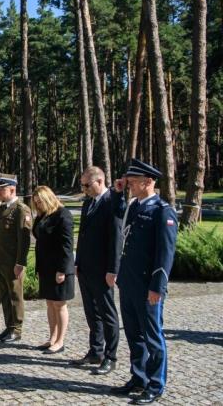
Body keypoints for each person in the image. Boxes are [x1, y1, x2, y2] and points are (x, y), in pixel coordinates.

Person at [109, 159, 178, 405]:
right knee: (134, 335)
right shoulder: (133, 206)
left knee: (152, 336)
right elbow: (118, 224)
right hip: (128, 283)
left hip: (148, 286)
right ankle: (138, 377)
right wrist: (118, 193)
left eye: (132, 182)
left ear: (148, 182)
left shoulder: (162, 211)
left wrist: (157, 287)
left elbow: (165, 254)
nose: (128, 185)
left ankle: (156, 384)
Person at [72, 166, 121, 375]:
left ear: (99, 181)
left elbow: (116, 239)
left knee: (107, 313)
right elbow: (82, 235)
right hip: (85, 268)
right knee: (91, 313)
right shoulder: (88, 203)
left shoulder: (112, 203)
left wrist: (113, 269)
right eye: (82, 185)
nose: (84, 189)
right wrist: (78, 262)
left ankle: (111, 356)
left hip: (103, 270)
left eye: (86, 185)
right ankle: (96, 350)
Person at [0, 173, 32, 343]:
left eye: (1, 190)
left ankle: (16, 329)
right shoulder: (2, 207)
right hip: (0, 258)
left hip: (12, 261)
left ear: (12, 189)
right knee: (5, 295)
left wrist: (20, 263)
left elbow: (24, 240)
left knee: (15, 295)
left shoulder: (20, 209)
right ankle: (9, 326)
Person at [31, 185, 75, 354]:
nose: (38, 205)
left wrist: (62, 270)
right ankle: (52, 337)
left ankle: (60, 341)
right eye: (36, 203)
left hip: (59, 268)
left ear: (48, 198)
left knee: (59, 305)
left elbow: (67, 246)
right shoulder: (42, 215)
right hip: (46, 267)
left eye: (40, 202)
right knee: (50, 303)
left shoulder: (63, 215)